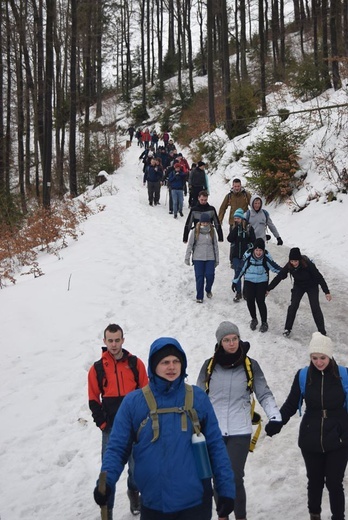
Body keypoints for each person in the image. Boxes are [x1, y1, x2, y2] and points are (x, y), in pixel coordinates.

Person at [93, 337, 236, 520]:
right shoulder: (134, 403)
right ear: (154, 365)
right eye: (165, 362)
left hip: (196, 502)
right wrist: (107, 482)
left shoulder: (197, 398)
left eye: (176, 361)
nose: (172, 367)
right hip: (154, 503)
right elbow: (117, 448)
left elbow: (216, 446)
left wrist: (225, 489)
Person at [197, 321, 282, 520]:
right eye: (226, 340)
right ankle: (223, 516)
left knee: (234, 477)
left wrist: (275, 416)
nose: (232, 343)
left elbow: (264, 393)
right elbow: (198, 396)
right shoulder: (209, 366)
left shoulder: (250, 365)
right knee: (218, 477)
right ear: (220, 343)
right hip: (214, 430)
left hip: (240, 430)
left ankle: (241, 516)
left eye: (234, 338)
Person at [265, 332, 348, 520]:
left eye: (322, 358)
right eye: (314, 358)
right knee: (315, 481)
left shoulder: (343, 375)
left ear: (330, 356)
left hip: (339, 437)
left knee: (334, 482)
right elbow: (292, 403)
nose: (319, 362)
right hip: (310, 437)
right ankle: (314, 514)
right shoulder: (303, 376)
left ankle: (339, 517)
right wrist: (277, 422)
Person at [88, 324, 149, 519]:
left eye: (117, 340)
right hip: (111, 429)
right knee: (108, 473)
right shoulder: (97, 368)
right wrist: (103, 424)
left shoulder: (135, 364)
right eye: (110, 340)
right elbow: (93, 399)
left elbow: (146, 394)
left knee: (137, 469)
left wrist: (144, 422)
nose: (114, 344)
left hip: (135, 428)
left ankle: (133, 492)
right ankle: (108, 510)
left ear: (123, 340)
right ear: (105, 342)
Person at [267, 247, 332, 337]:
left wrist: (326, 292)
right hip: (299, 286)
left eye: (296, 261)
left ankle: (322, 332)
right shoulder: (289, 265)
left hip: (312, 286)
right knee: (293, 306)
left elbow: (319, 277)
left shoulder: (308, 264)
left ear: (300, 259)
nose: (294, 263)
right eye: (292, 261)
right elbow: (279, 277)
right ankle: (287, 328)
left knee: (315, 307)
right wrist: (269, 288)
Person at [232, 237, 281, 332]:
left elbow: (274, 267)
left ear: (263, 250)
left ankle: (264, 322)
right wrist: (235, 281)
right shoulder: (248, 256)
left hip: (262, 281)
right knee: (250, 300)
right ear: (254, 249)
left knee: (260, 301)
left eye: (260, 250)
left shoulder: (266, 258)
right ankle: (254, 319)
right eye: (256, 250)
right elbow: (241, 269)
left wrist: (285, 271)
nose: (258, 253)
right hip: (249, 281)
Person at [185, 212, 219, 303]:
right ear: (200, 222)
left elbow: (215, 245)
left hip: (210, 257)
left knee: (210, 276)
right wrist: (187, 257)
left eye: (206, 222)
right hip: (198, 258)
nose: (205, 224)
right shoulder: (195, 231)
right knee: (199, 277)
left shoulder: (212, 231)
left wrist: (217, 259)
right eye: (203, 222)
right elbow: (190, 245)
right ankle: (199, 296)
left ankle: (208, 289)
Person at [227, 208, 256, 302]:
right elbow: (230, 239)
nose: (236, 220)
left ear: (242, 218)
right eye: (235, 218)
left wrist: (249, 247)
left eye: (238, 218)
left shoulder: (248, 227)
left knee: (246, 274)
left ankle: (246, 292)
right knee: (237, 274)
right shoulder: (234, 227)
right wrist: (236, 228)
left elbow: (253, 240)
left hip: (246, 256)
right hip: (236, 255)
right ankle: (238, 292)